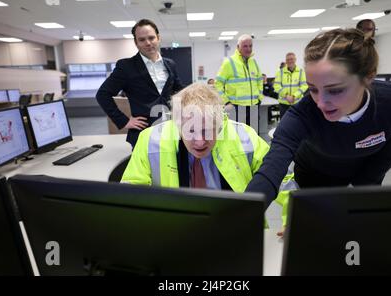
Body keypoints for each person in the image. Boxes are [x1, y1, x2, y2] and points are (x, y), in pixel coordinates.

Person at [246, 28, 391, 215]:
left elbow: (389, 152)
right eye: (313, 89)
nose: (321, 103)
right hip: (314, 177)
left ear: (369, 76)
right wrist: (243, 215)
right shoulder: (302, 114)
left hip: (365, 173)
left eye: (335, 90)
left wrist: (364, 192)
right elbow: (271, 169)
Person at [121, 84, 296, 223]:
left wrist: (291, 218)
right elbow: (131, 191)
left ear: (220, 124)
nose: (199, 141)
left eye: (207, 131)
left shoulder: (245, 137)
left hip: (238, 230)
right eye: (190, 131)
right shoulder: (151, 140)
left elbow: (281, 179)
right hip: (174, 231)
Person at [96, 19, 187, 148]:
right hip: (144, 132)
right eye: (142, 39)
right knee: (146, 168)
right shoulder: (126, 66)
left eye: (151, 38)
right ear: (136, 42)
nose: (148, 43)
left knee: (174, 167)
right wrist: (124, 121)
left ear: (158, 38)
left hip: (170, 130)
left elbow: (180, 90)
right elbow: (102, 94)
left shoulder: (169, 64)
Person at [215, 34, 263, 131]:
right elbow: (218, 84)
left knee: (253, 136)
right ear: (238, 47)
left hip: (253, 106)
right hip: (236, 108)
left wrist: (259, 98)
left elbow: (259, 81)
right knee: (238, 138)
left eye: (250, 46)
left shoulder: (254, 62)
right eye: (245, 46)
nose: (248, 49)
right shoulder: (229, 62)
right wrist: (226, 102)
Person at [273, 52, 308, 119]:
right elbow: (276, 86)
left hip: (297, 103)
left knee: (297, 122)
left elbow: (304, 86)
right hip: (284, 104)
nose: (290, 61)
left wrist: (294, 96)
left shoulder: (301, 72)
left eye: (291, 59)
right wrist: (286, 96)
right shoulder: (280, 72)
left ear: (295, 60)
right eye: (288, 59)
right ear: (286, 61)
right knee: (284, 123)